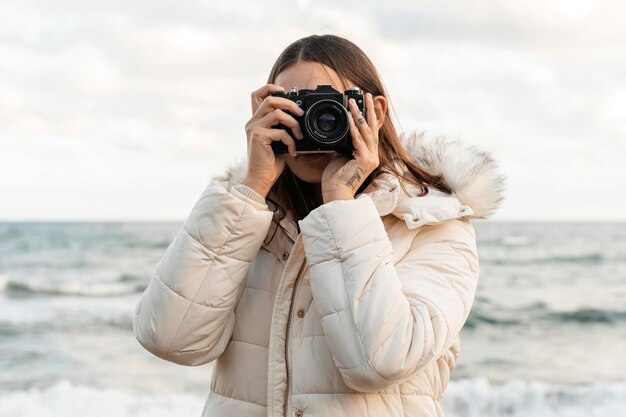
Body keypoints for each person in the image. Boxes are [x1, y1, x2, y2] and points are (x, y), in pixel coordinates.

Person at [133, 34, 504, 417]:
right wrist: (250, 188)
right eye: (294, 106)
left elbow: (381, 360)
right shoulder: (247, 218)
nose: (312, 121)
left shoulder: (432, 223)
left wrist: (340, 203)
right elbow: (170, 338)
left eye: (331, 106)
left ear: (374, 111)